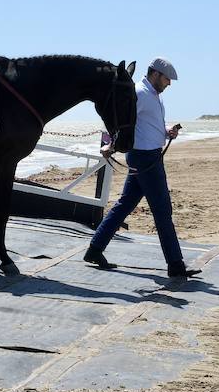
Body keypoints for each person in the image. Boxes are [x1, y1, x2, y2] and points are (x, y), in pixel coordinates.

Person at [84, 57, 197, 278]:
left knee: (125, 205)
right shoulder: (139, 93)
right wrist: (111, 145)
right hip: (145, 159)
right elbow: (121, 120)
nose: (169, 84)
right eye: (167, 79)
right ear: (155, 74)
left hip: (148, 156)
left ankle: (94, 250)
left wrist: (166, 130)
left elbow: (147, 124)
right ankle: (176, 266)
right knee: (163, 211)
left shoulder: (153, 94)